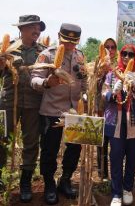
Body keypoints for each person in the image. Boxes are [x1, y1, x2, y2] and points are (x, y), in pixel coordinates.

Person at [31, 23, 87, 205]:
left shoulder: (80, 56)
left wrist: (85, 94)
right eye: (66, 41)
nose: (70, 45)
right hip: (52, 110)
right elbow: (34, 79)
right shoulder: (47, 55)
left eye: (73, 42)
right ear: (58, 36)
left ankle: (66, 180)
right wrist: (46, 82)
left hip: (74, 110)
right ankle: (49, 184)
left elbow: (83, 79)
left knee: (74, 148)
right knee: (50, 149)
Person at [0, 15, 47, 202]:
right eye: (33, 27)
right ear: (22, 29)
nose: (37, 31)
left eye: (39, 28)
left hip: (33, 104)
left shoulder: (43, 52)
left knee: (31, 142)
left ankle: (25, 182)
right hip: (9, 102)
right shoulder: (8, 48)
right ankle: (2, 176)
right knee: (1, 139)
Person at [102, 44, 135, 206]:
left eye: (130, 54)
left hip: (133, 122)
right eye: (124, 54)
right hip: (115, 121)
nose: (126, 57)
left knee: (131, 156)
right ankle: (116, 192)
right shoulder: (112, 74)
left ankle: (127, 189)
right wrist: (112, 94)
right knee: (115, 156)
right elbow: (104, 92)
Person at [97, 38, 118, 180]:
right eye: (107, 47)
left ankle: (115, 174)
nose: (110, 50)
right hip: (99, 109)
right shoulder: (96, 65)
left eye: (112, 47)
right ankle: (102, 173)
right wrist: (101, 73)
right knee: (101, 144)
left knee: (114, 144)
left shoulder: (118, 66)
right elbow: (92, 86)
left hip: (113, 111)